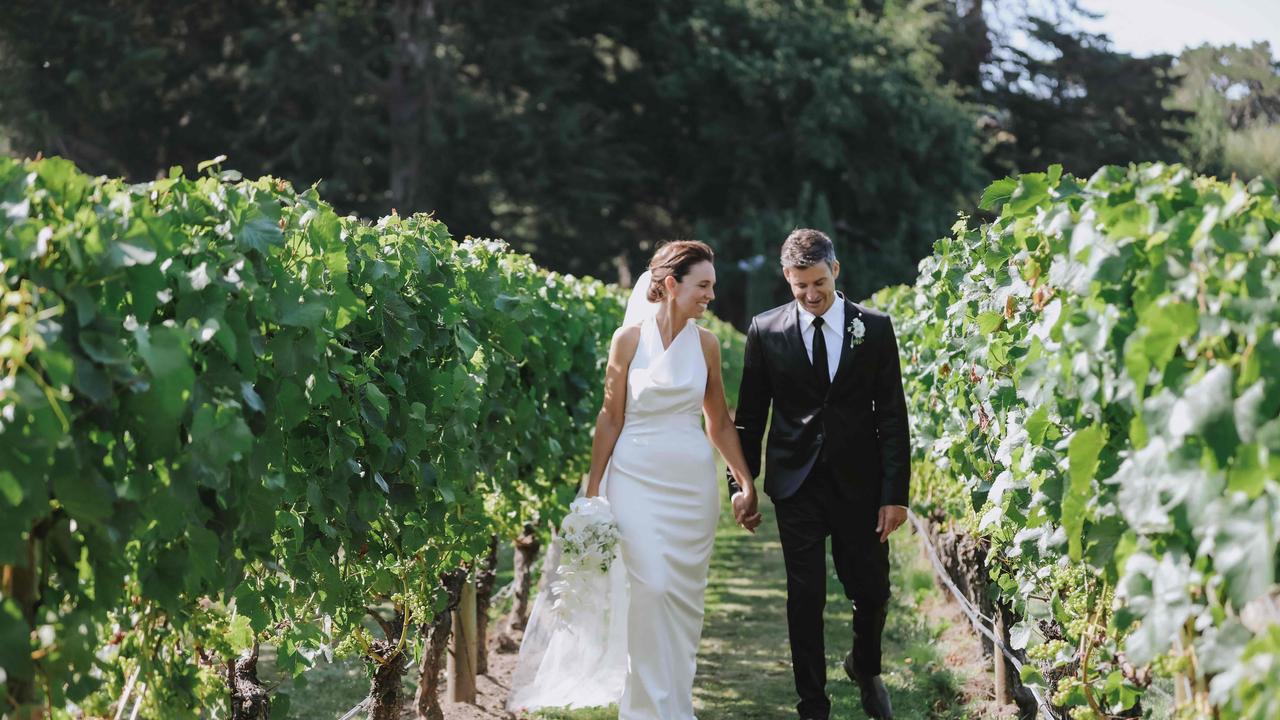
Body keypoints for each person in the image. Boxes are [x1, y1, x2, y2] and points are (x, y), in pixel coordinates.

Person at [507, 240, 758, 719]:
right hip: (635, 480)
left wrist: (742, 479)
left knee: (683, 602)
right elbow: (610, 416)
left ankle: (675, 707)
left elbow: (719, 421)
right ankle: (643, 710)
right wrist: (595, 488)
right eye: (703, 285)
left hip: (691, 487)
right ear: (670, 285)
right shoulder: (627, 340)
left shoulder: (706, 344)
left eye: (713, 286)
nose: (711, 295)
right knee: (652, 588)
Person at [729, 228, 911, 720]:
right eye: (799, 286)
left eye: (818, 284)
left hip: (861, 485)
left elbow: (892, 416)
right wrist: (740, 485)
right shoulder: (765, 331)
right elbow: (749, 418)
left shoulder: (873, 328)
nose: (810, 295)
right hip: (796, 486)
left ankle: (866, 667)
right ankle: (812, 704)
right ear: (786, 278)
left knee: (871, 591)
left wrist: (896, 494)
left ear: (836, 270)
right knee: (804, 596)